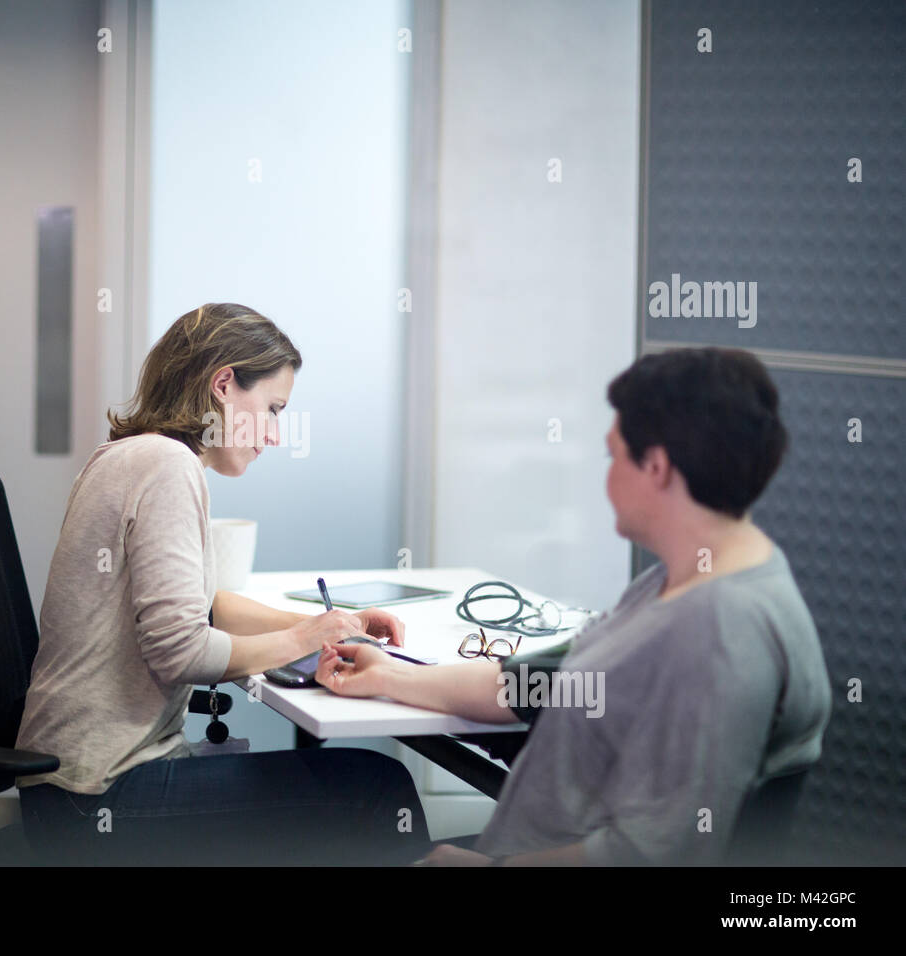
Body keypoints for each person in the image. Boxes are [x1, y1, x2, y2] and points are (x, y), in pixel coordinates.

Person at [316, 347, 832, 866]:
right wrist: (387, 675)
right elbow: (527, 684)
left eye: (614, 457)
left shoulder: (721, 631)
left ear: (656, 467)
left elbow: (653, 853)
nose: (605, 478)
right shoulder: (679, 580)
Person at [14, 302, 429, 866]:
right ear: (225, 385)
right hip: (100, 797)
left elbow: (204, 610)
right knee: (377, 788)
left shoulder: (127, 457)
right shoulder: (166, 465)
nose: (276, 436)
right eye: (273, 409)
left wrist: (336, 626)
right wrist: (307, 637)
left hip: (65, 791)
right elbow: (181, 650)